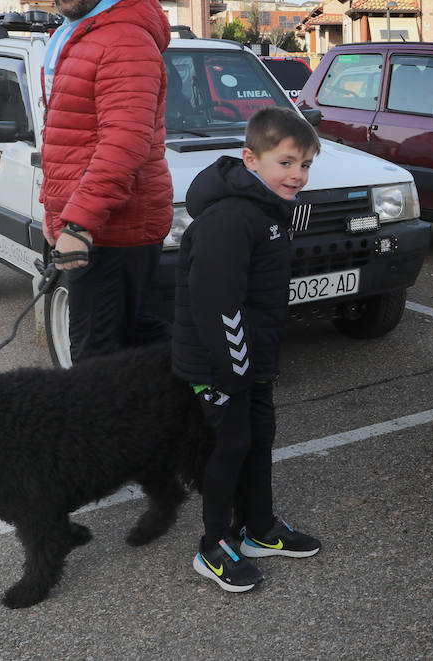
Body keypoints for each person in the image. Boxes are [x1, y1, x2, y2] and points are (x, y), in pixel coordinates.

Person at [172, 107, 323, 593]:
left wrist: (260, 364)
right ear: (251, 159)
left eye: (305, 165)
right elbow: (218, 303)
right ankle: (214, 545)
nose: (297, 175)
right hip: (219, 364)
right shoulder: (232, 218)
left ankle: (259, 529)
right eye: (286, 163)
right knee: (230, 445)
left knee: (258, 440)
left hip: (251, 362)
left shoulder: (267, 210)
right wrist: (236, 371)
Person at [39, 0, 173, 362]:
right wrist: (54, 211)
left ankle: (213, 394)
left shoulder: (123, 41)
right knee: (131, 346)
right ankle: (201, 400)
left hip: (114, 231)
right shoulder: (77, 36)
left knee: (97, 360)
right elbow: (69, 141)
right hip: (94, 224)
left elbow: (123, 144)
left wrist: (77, 224)